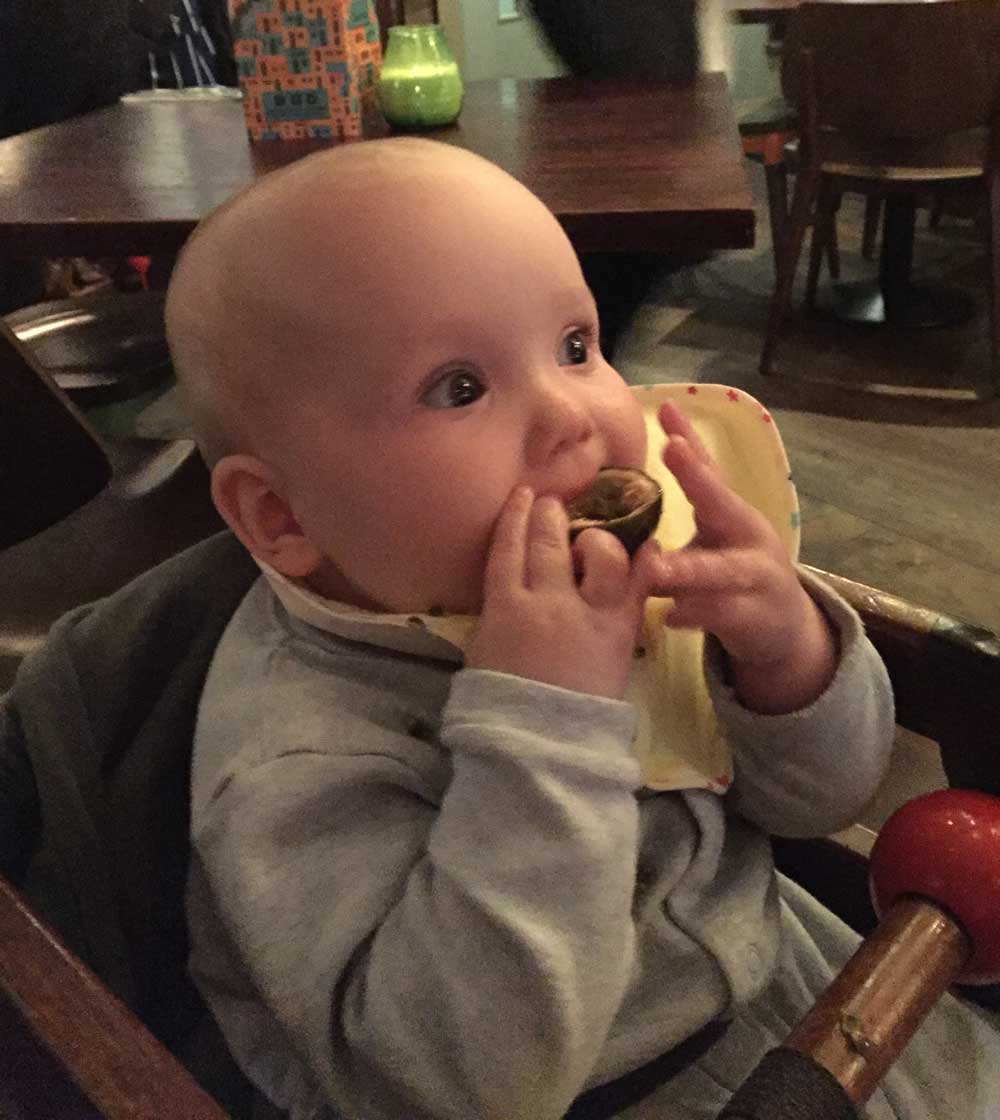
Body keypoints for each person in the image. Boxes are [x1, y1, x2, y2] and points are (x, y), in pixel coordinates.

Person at [165, 138, 999, 1120]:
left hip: (786, 972)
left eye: (574, 345)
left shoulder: (621, 566)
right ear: (282, 516)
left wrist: (785, 655)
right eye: (459, 387)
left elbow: (822, 800)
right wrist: (543, 720)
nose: (571, 414)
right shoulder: (296, 756)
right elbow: (463, 1081)